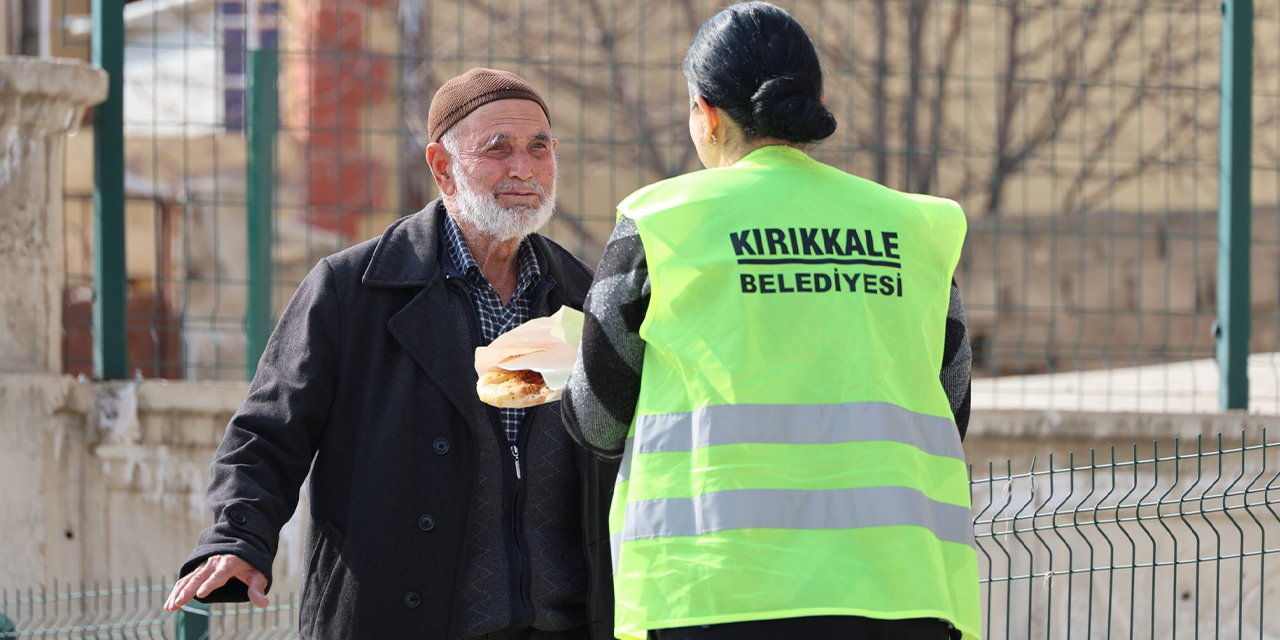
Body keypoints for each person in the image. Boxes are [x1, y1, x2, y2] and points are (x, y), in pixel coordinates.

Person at [561, 3, 979, 640]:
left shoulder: (661, 223)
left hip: (710, 594)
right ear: (811, 101)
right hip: (906, 591)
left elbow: (596, 421)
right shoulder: (917, 230)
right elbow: (950, 408)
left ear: (705, 114)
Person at [164, 68, 618, 640]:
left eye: (539, 148)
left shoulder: (584, 294)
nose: (523, 169)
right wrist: (237, 539)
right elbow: (267, 434)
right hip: (400, 617)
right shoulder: (350, 290)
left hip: (562, 622)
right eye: (497, 150)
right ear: (441, 166)